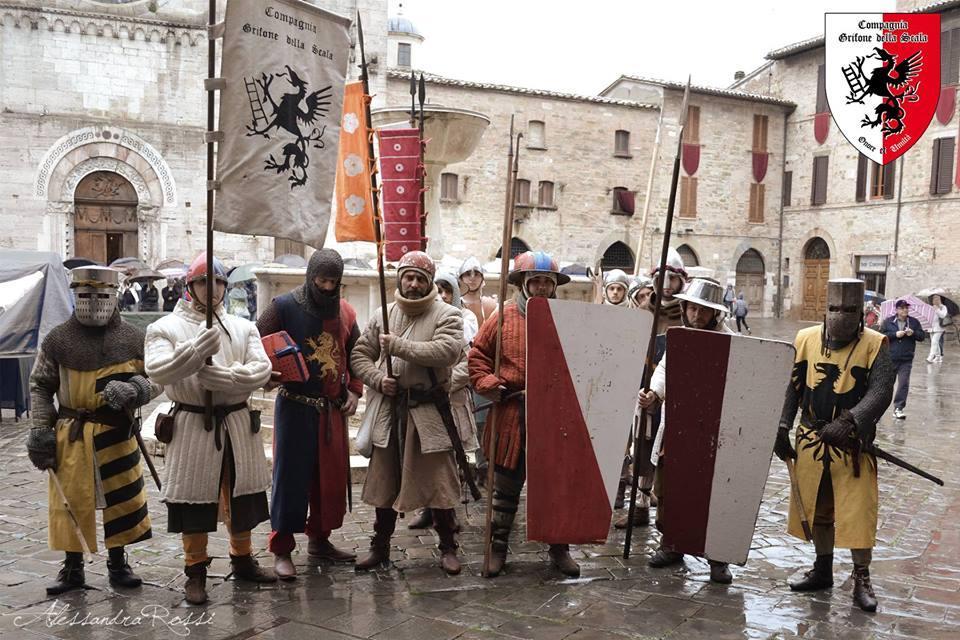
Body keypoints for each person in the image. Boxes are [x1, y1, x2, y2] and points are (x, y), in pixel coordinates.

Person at [144, 252, 276, 604]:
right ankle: (196, 569)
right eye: (204, 280)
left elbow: (261, 369)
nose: (213, 288)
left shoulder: (244, 327)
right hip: (192, 424)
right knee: (195, 502)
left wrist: (227, 376)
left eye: (219, 281)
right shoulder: (163, 328)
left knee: (241, 496)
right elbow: (158, 371)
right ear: (190, 286)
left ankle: (243, 557)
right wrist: (193, 350)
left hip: (235, 421)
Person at [26, 266, 159, 595]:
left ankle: (118, 561)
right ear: (75, 295)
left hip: (117, 432)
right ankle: (73, 567)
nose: (95, 302)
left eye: (103, 295)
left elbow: (159, 377)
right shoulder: (58, 340)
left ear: (115, 297)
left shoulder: (133, 338)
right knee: (70, 499)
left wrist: (136, 390)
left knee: (122, 499)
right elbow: (41, 385)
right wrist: (41, 430)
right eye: (86, 295)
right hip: (72, 432)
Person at [774, 278, 895, 612]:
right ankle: (822, 569)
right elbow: (793, 386)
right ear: (825, 308)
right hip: (812, 441)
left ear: (861, 312)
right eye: (835, 307)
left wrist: (851, 421)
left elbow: (881, 392)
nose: (840, 314)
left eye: (849, 309)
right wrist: (782, 427)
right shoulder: (806, 339)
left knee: (857, 513)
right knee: (818, 511)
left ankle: (862, 577)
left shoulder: (875, 344)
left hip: (853, 446)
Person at [350, 251, 465, 575]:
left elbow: (447, 351)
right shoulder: (382, 315)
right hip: (391, 410)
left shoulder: (447, 314)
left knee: (440, 485)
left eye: (420, 278)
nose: (413, 284)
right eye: (408, 277)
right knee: (385, 483)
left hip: (429, 412)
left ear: (429, 282)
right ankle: (380, 547)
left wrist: (398, 345)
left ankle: (447, 547)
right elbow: (360, 355)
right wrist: (377, 379)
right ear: (400, 278)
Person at [468, 250, 581, 578]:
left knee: (554, 487)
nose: (542, 287)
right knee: (505, 488)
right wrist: (489, 382)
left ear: (554, 285)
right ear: (524, 284)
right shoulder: (501, 317)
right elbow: (477, 355)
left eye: (547, 282)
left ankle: (559, 547)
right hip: (512, 414)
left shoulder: (568, 318)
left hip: (555, 416)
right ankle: (497, 548)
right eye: (536, 281)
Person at [256, 249, 363, 579]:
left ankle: (320, 540)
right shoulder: (283, 307)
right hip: (295, 407)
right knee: (289, 479)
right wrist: (265, 372)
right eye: (322, 280)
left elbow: (356, 354)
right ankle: (282, 548)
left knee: (327, 481)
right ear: (311, 276)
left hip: (330, 411)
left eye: (334, 282)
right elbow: (256, 343)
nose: (328, 287)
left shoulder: (345, 312)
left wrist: (355, 391)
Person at [637, 277, 735, 584]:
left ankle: (718, 557)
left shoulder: (731, 340)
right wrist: (653, 392)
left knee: (712, 493)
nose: (696, 315)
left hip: (714, 432)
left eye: (703, 310)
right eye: (692, 308)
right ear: (684, 308)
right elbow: (665, 370)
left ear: (715, 313)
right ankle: (672, 545)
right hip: (678, 426)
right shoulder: (678, 337)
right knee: (669, 489)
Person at [615, 248, 687, 530]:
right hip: (644, 394)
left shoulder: (690, 314)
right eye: (662, 279)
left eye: (673, 279)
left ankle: (667, 513)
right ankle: (640, 507)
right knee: (642, 449)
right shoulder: (642, 313)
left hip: (676, 400)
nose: (667, 285)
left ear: (682, 281)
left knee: (670, 455)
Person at [406, 272, 481, 530]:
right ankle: (428, 509)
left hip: (452, 402)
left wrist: (444, 384)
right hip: (428, 405)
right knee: (428, 460)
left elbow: (467, 363)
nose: (443, 295)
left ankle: (449, 514)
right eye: (438, 289)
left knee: (451, 462)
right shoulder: (423, 318)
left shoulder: (461, 321)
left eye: (447, 290)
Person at [458, 256, 497, 483]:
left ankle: (484, 466)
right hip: (461, 367)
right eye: (467, 273)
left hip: (485, 367)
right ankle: (462, 465)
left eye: (476, 273)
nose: (472, 277)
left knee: (483, 420)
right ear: (461, 278)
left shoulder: (492, 306)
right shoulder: (456, 305)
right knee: (460, 418)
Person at [881, 299, 925, 420]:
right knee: (886, 385)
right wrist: (895, 335)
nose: (905, 310)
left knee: (903, 383)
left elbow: (922, 337)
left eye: (906, 307)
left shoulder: (914, 322)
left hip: (906, 358)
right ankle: (878, 408)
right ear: (897, 310)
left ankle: (898, 408)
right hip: (891, 357)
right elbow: (881, 335)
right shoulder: (888, 322)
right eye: (902, 308)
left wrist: (913, 333)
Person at [927, 295, 948, 364]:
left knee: (934, 342)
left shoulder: (943, 307)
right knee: (936, 343)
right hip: (931, 327)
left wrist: (937, 309)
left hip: (939, 327)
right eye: (934, 299)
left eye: (937, 299)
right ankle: (938, 357)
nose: (935, 301)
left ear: (939, 300)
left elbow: (943, 315)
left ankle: (930, 357)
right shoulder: (930, 307)